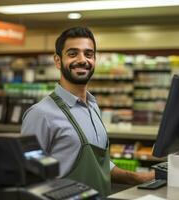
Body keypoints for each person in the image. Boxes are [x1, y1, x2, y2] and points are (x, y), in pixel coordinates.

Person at [21, 27, 154, 196]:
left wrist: (137, 178)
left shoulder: (92, 106)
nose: (82, 60)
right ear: (57, 61)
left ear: (94, 60)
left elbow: (99, 165)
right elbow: (28, 178)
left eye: (88, 54)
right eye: (73, 53)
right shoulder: (40, 114)